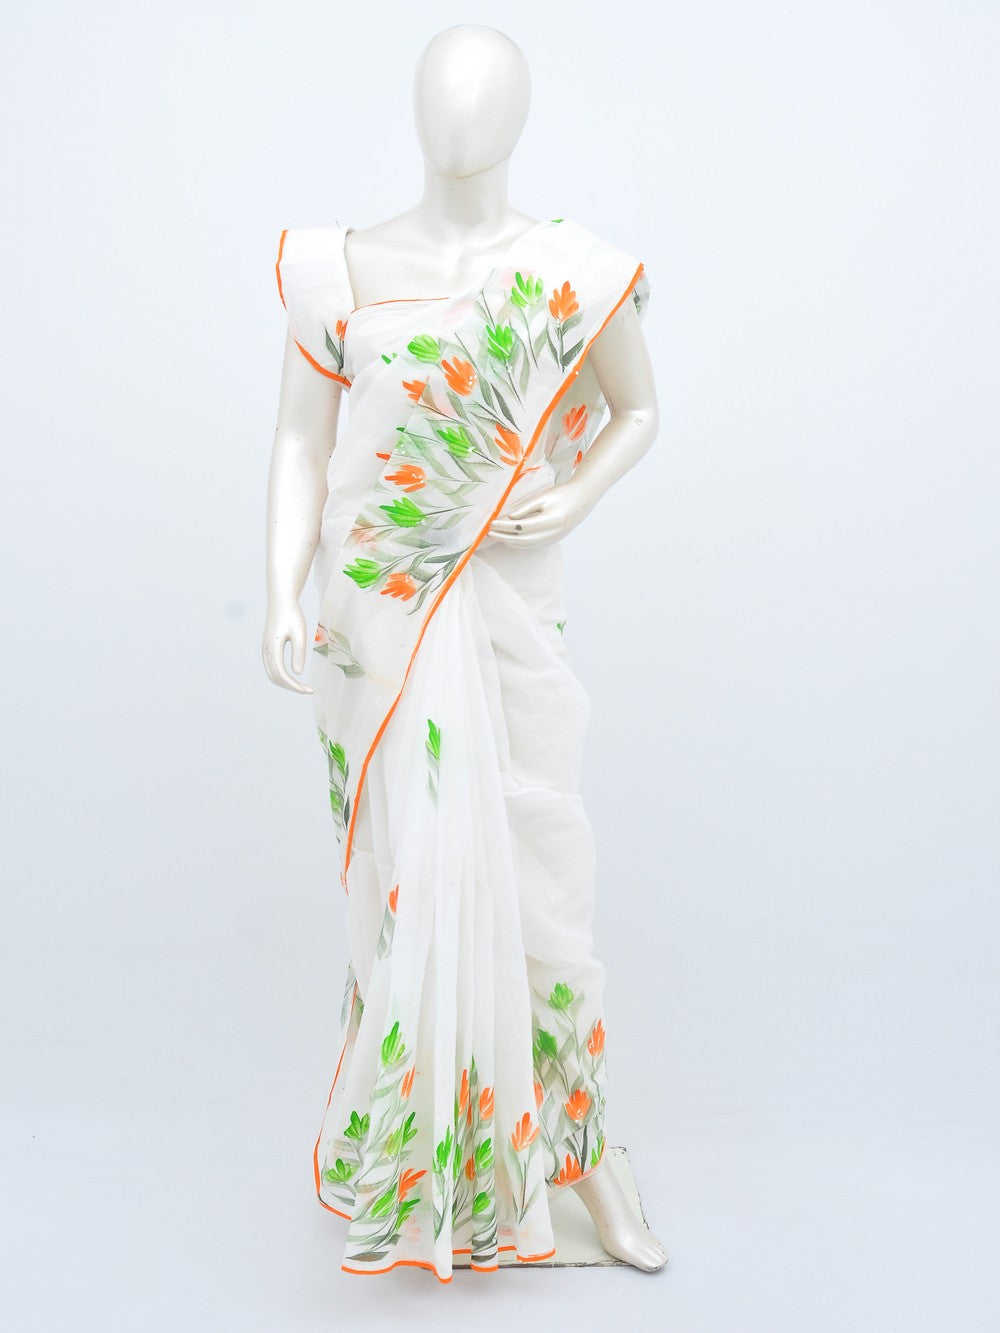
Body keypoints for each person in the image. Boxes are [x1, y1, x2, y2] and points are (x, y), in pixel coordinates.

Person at [262, 24, 666, 1283]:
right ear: (413, 108)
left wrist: (578, 490)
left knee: (535, 887)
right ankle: (426, 1159)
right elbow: (300, 444)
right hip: (377, 619)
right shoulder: (337, 269)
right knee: (409, 890)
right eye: (442, 93)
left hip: (503, 609)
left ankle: (587, 1156)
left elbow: (639, 407)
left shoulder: (572, 274)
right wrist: (278, 592)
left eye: (484, 96)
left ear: (519, 116)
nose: (460, 117)